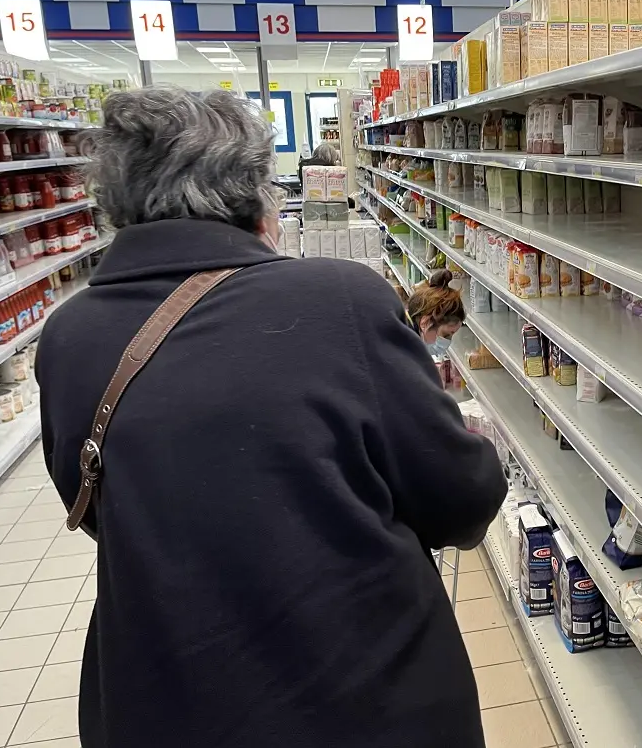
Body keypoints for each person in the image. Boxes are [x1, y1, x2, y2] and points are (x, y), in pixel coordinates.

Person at [37, 87, 506, 748]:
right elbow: (460, 501)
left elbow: (95, 505)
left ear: (115, 202)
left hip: (162, 697)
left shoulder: (67, 335)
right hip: (359, 698)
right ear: (256, 194)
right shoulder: (337, 298)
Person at [406, 268, 465, 355]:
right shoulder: (398, 350)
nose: (448, 342)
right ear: (425, 322)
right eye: (446, 335)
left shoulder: (406, 336)